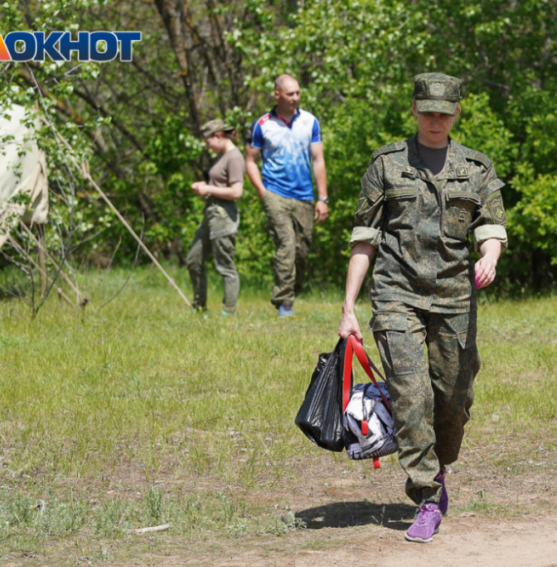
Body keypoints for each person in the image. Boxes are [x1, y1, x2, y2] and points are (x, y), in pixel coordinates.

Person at [337, 73, 508, 543]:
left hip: (455, 298)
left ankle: (441, 466)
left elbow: (491, 225)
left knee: (452, 400)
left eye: (444, 113)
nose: (435, 120)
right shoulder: (386, 165)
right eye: (428, 111)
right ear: (414, 110)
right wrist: (349, 306)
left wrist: (489, 255)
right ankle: (427, 496)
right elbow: (363, 239)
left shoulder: (476, 167)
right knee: (413, 396)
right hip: (397, 295)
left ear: (456, 114)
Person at [245, 74, 329, 318]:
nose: (295, 98)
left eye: (298, 93)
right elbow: (250, 160)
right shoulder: (261, 124)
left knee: (302, 251)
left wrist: (322, 198)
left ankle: (292, 291)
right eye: (290, 94)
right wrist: (263, 192)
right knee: (287, 245)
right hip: (275, 193)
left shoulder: (310, 122)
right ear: (277, 95)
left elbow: (318, 159)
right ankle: (285, 303)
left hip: (304, 196)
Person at [186, 119, 244, 316]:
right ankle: (199, 306)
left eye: (208, 141)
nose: (207, 146)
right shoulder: (222, 156)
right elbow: (221, 184)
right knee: (193, 259)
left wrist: (206, 188)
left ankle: (229, 311)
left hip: (223, 216)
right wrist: (204, 185)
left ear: (217, 136)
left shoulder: (234, 157)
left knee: (225, 265)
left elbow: (237, 192)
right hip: (210, 215)